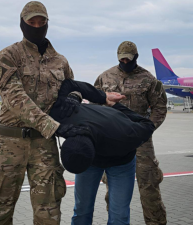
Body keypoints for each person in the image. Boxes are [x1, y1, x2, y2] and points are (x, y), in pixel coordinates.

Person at [0, 2, 121, 224]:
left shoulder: (60, 61)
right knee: (0, 210)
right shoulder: (9, 56)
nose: (37, 26)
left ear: (47, 23)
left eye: (41, 22)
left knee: (49, 213)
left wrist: (73, 99)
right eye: (31, 22)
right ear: (22, 23)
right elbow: (16, 99)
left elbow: (72, 87)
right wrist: (55, 127)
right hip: (11, 144)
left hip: (44, 145)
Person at [49, 79, 156, 225]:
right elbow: (69, 84)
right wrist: (76, 97)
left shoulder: (124, 135)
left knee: (119, 215)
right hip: (88, 159)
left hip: (121, 162)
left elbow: (147, 125)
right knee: (81, 210)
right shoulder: (62, 115)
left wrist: (116, 105)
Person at [95, 41, 168, 225]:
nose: (125, 62)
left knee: (150, 188)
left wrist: (146, 129)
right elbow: (95, 106)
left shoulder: (149, 80)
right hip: (114, 144)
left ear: (136, 57)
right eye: (122, 59)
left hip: (141, 142)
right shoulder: (105, 77)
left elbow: (160, 109)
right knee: (113, 191)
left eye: (129, 58)